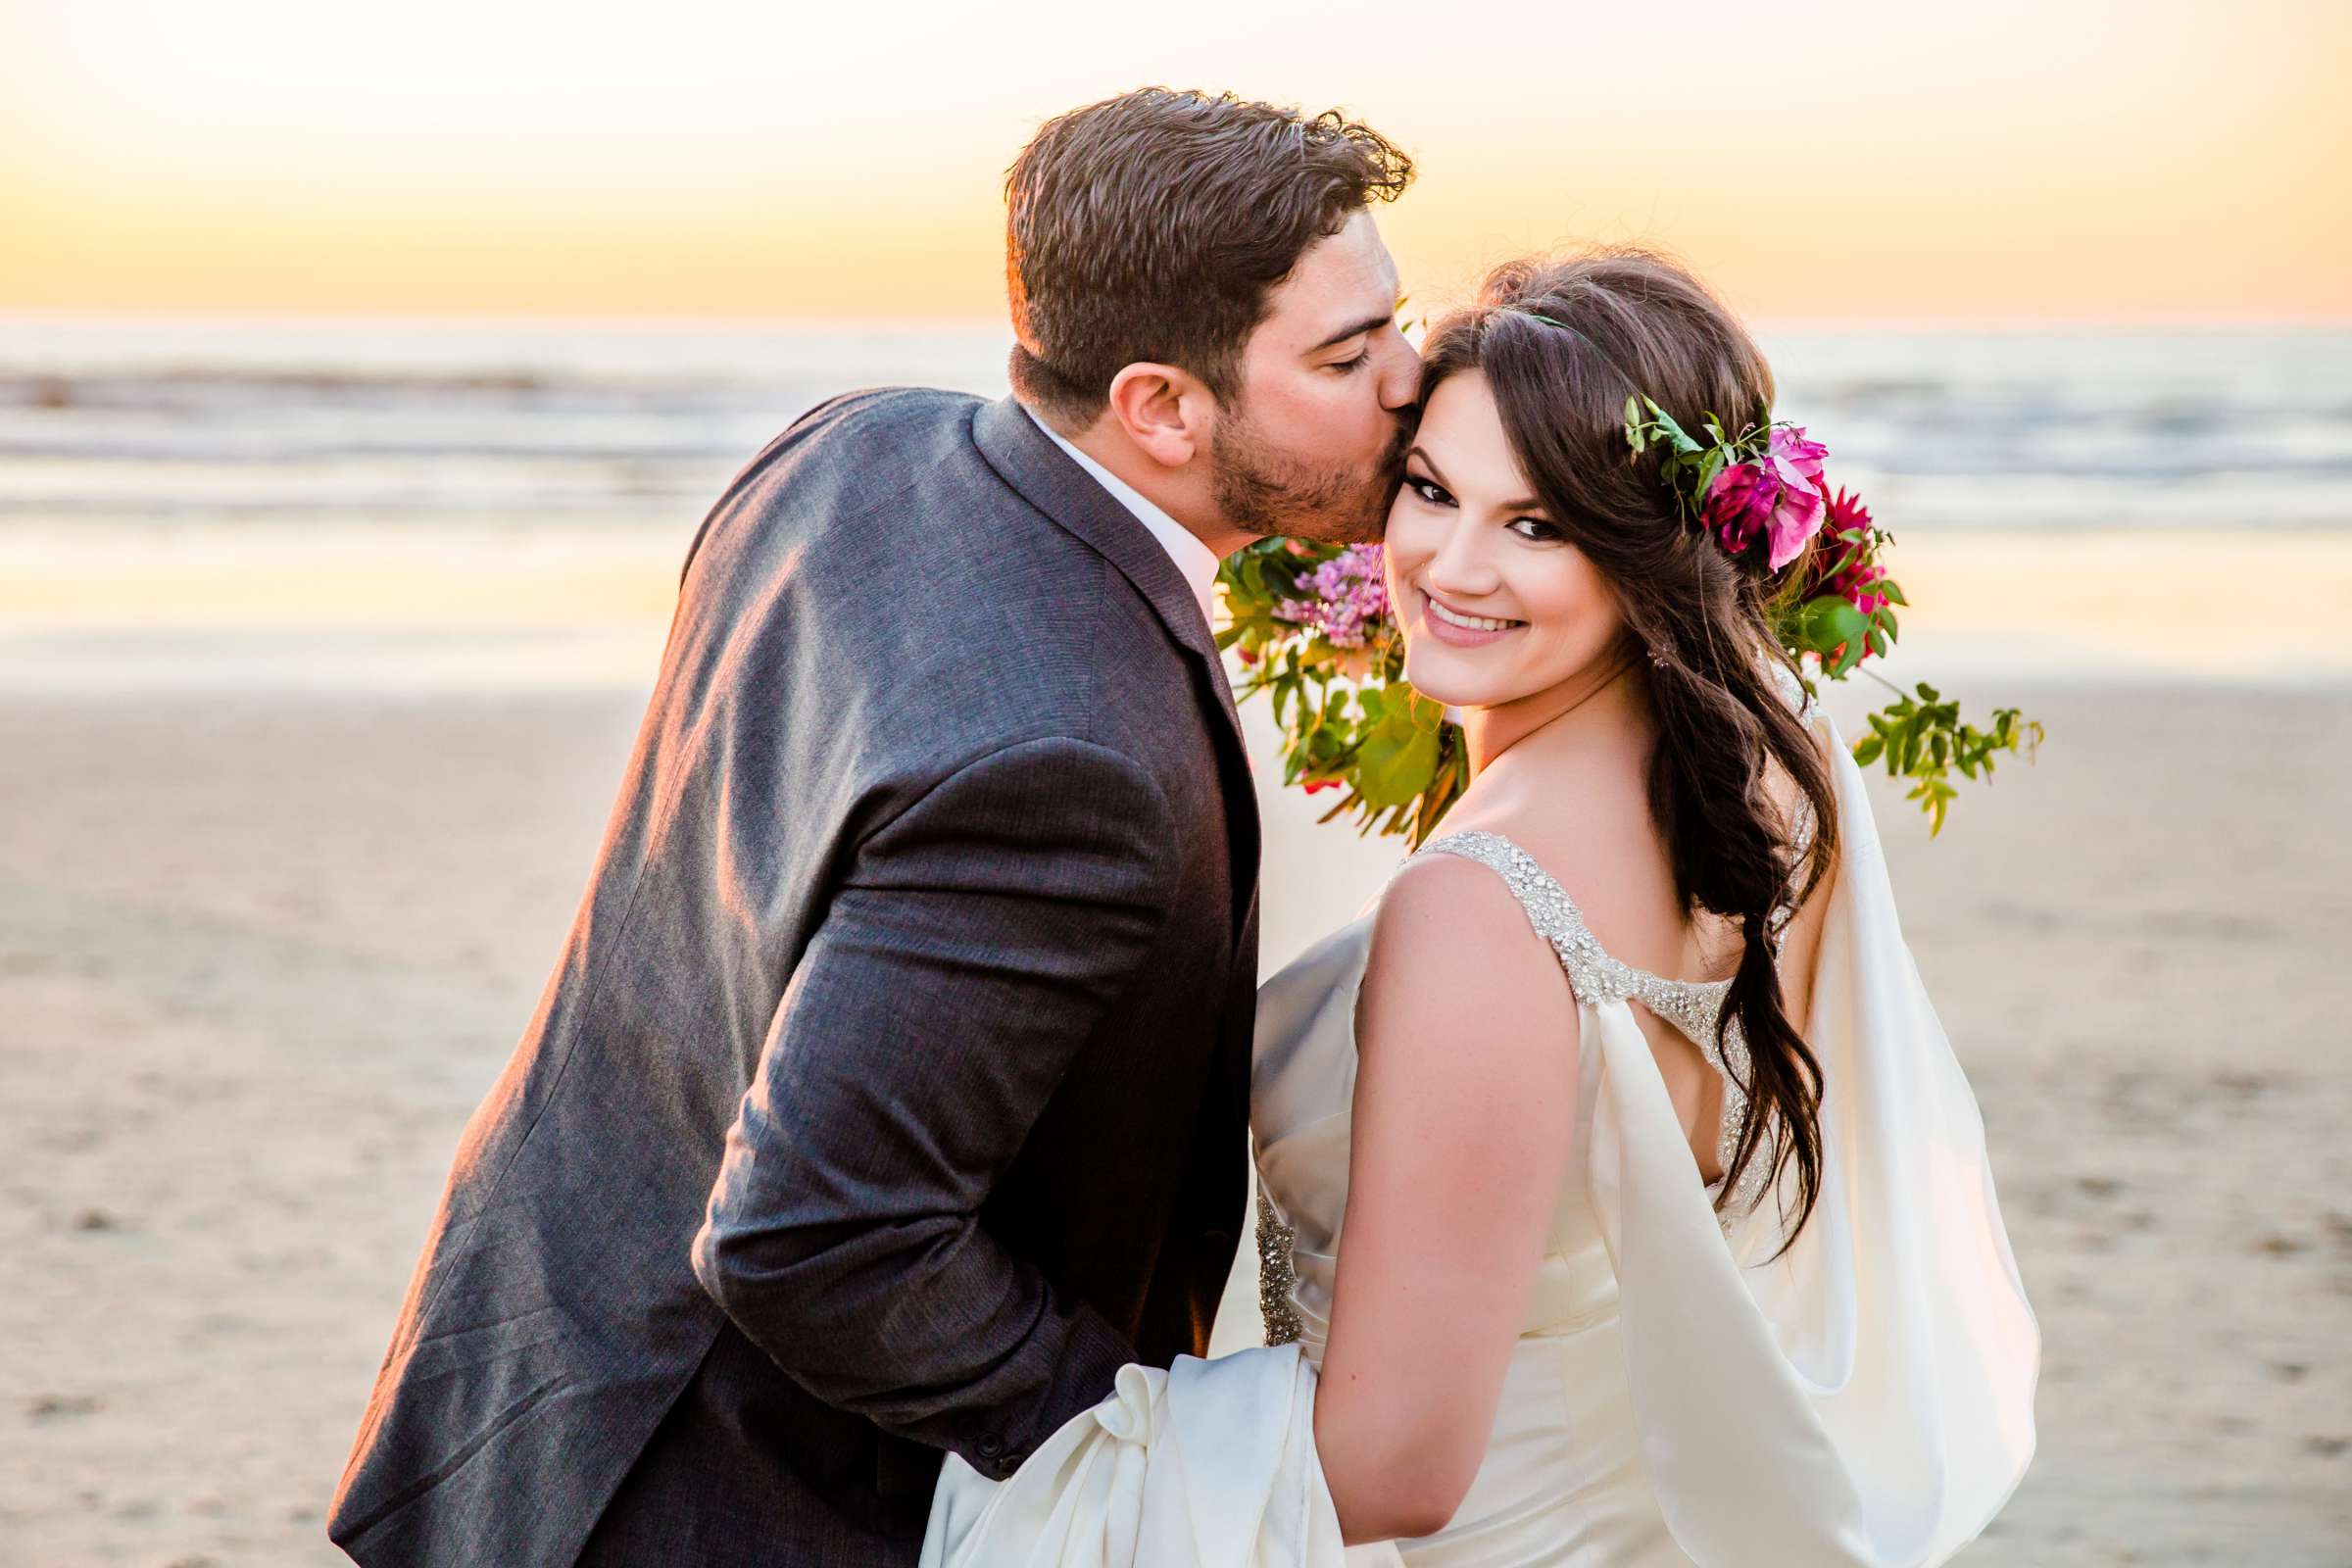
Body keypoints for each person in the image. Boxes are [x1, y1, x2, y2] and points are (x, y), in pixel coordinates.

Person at [325, 87, 1417, 1567]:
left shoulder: (851, 447)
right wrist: (1147, 1448)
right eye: (1351, 356)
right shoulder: (1069, 760)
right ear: (1162, 404)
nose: (1414, 380)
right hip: (721, 1496)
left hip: (526, 1371)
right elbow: (816, 1236)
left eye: (1395, 325)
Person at [921, 252, 2039, 1566]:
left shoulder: (1485, 904)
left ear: (1648, 552)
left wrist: (1044, 1446)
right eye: (1432, 492)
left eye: (1537, 525)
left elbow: (1394, 1463)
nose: (1452, 566)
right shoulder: (1753, 791)